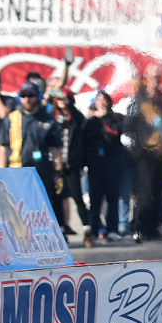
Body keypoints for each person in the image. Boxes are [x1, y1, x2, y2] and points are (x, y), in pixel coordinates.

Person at [0, 81, 67, 233]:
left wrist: (58, 172)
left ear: (38, 97)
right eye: (23, 95)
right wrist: (1, 171)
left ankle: (43, 233)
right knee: (17, 205)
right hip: (17, 170)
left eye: (31, 95)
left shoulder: (48, 119)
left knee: (42, 205)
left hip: (42, 170)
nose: (27, 99)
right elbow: (3, 147)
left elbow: (56, 149)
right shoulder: (12, 118)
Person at [125, 64, 162, 241]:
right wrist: (137, 146)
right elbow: (128, 125)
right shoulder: (139, 99)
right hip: (144, 154)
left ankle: (155, 228)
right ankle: (139, 227)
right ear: (146, 78)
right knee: (144, 192)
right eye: (153, 77)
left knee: (161, 193)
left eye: (158, 77)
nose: (156, 80)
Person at [82, 91, 125, 245]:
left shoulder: (116, 119)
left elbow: (117, 132)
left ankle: (112, 229)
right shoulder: (90, 122)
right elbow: (84, 142)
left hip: (112, 163)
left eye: (104, 100)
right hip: (95, 164)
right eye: (99, 100)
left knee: (112, 198)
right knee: (95, 199)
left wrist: (105, 120)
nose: (102, 103)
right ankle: (94, 230)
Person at [51, 87, 89, 239]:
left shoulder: (75, 117)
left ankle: (87, 228)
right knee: (58, 197)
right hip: (56, 165)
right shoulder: (53, 116)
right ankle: (61, 228)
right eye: (59, 99)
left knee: (77, 196)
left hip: (71, 163)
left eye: (64, 98)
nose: (61, 101)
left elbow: (81, 121)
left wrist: (69, 104)